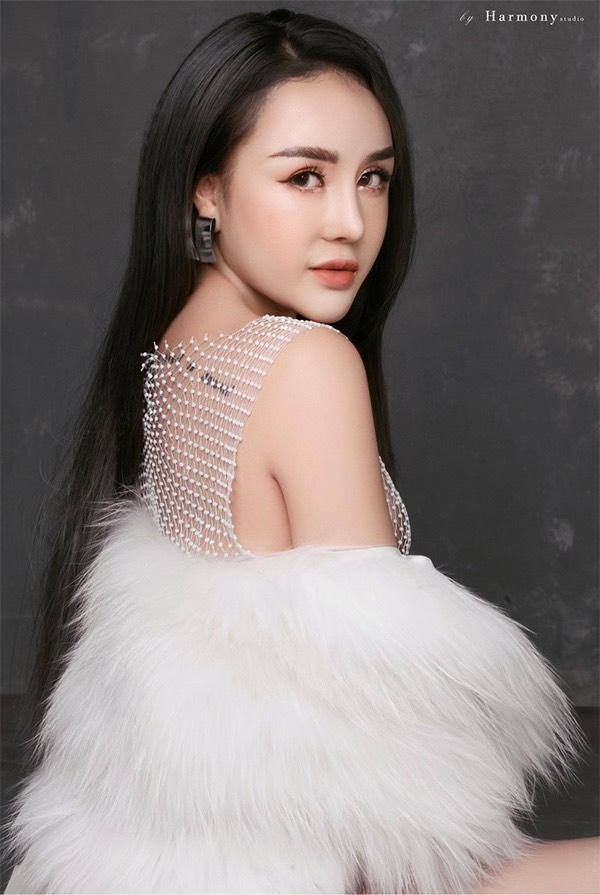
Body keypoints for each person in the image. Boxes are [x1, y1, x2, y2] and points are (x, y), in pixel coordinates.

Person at [2, 8, 598, 894]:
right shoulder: (305, 362)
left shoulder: (175, 350)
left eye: (374, 178)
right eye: (305, 177)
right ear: (207, 189)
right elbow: (381, 798)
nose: (351, 222)